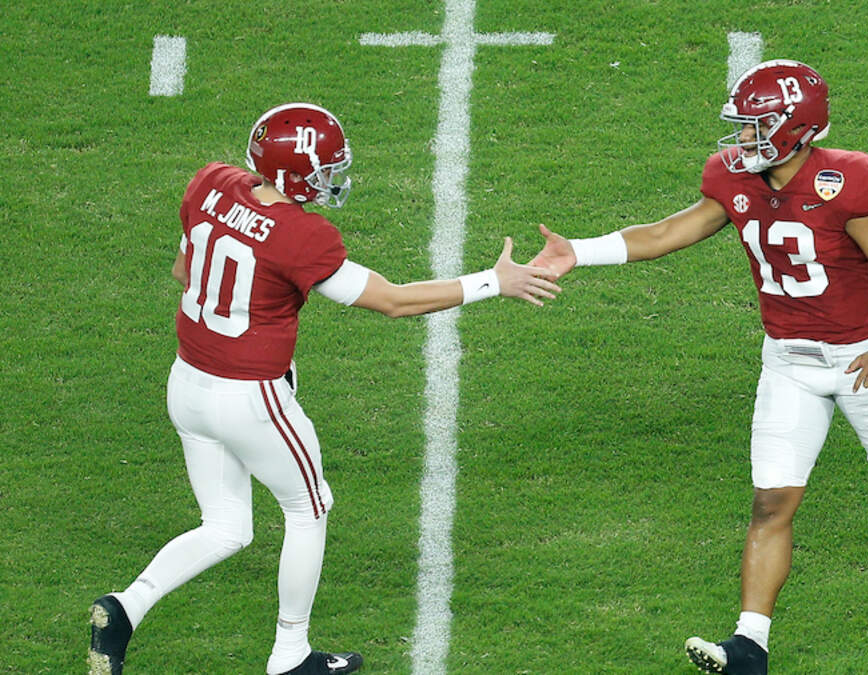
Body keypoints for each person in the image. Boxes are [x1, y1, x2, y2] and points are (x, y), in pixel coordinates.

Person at [530, 60, 868, 675]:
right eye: (743, 128)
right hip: (787, 359)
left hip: (860, 355)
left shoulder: (846, 181)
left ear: (794, 127)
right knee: (771, 503)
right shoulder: (733, 179)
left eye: (755, 128)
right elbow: (671, 230)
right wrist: (580, 252)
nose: (742, 141)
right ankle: (750, 644)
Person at [88, 102, 561, 675]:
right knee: (310, 507)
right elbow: (392, 300)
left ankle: (124, 609)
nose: (331, 178)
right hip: (250, 397)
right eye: (323, 168)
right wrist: (495, 282)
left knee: (226, 526)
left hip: (187, 384)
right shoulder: (300, 234)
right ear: (294, 173)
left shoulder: (211, 183)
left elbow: (184, 274)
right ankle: (291, 656)